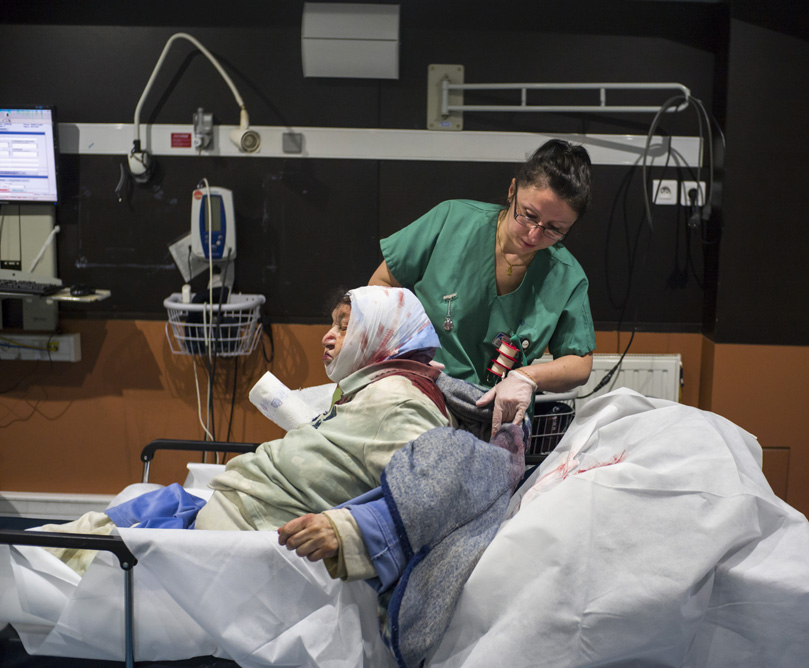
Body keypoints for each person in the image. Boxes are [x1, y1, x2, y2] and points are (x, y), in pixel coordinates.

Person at [38, 286, 453, 580]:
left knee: (75, 554)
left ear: (382, 334)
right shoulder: (373, 388)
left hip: (240, 536)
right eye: (332, 324)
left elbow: (428, 496)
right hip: (232, 508)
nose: (327, 337)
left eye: (344, 326)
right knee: (88, 529)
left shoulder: (404, 402)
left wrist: (349, 528)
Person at [370, 139, 597, 434]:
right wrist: (403, 355)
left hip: (496, 415)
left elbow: (580, 362)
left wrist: (528, 377)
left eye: (555, 229)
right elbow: (381, 284)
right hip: (420, 393)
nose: (534, 234)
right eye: (528, 215)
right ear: (512, 190)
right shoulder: (452, 221)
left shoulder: (566, 277)